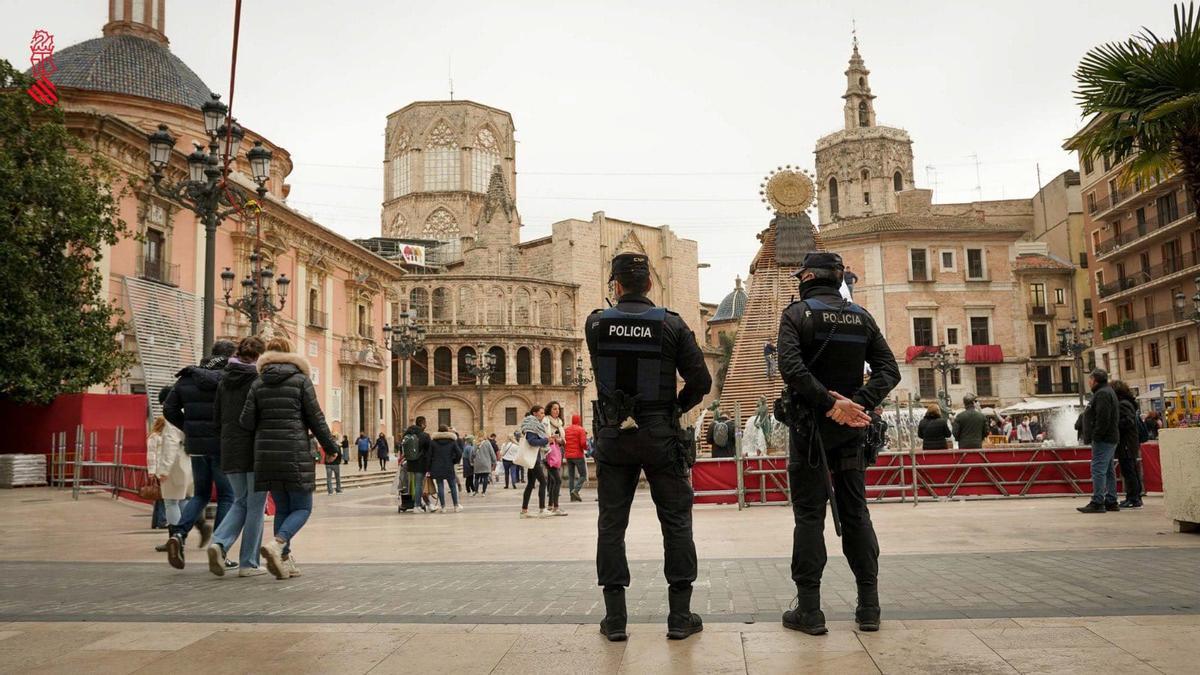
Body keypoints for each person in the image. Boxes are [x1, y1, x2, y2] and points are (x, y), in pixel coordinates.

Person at [585, 252, 712, 642]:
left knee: (611, 524)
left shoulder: (596, 323)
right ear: (651, 285)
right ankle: (679, 616)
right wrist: (675, 407)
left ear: (616, 285)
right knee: (676, 522)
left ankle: (616, 619)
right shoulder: (672, 325)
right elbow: (701, 382)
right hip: (660, 433)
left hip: (613, 434)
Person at [776, 251, 899, 636]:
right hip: (851, 432)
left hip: (809, 430)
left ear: (808, 277)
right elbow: (889, 371)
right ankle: (869, 608)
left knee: (809, 516)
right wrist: (854, 405)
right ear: (839, 278)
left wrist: (830, 404)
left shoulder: (797, 315)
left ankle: (810, 611)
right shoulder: (861, 317)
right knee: (856, 512)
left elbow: (791, 368)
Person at [240, 337, 339, 580]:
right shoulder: (301, 380)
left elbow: (246, 421)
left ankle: (283, 560)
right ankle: (278, 543)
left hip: (265, 454)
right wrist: (331, 446)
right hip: (294, 450)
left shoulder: (258, 383)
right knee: (303, 507)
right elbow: (316, 418)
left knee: (282, 507)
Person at [162, 340, 236, 570]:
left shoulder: (187, 377)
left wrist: (188, 428)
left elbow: (168, 408)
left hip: (196, 447)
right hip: (222, 446)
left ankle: (179, 534)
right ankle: (220, 547)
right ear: (230, 356)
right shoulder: (229, 378)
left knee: (200, 495)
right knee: (226, 496)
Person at [206, 335, 269, 578]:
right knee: (256, 506)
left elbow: (217, 417)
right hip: (254, 449)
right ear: (260, 356)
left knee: (240, 501)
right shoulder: (258, 379)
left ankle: (219, 543)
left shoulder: (223, 379)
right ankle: (248, 563)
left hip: (229, 448)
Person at [148, 396, 191, 553]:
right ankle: (184, 533)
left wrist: (163, 469)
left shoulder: (171, 419)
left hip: (174, 464)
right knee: (184, 499)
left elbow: (170, 445)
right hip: (186, 461)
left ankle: (176, 538)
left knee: (170, 502)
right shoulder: (187, 414)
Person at [1078, 368, 1120, 514]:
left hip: (1104, 438)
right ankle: (1111, 500)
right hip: (1110, 437)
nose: (1088, 382)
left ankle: (1098, 501)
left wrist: (1096, 435)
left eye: (1089, 379)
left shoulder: (1102, 394)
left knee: (1098, 469)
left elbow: (1103, 417)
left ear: (1094, 380)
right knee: (1108, 470)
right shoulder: (1107, 391)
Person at [1112, 380, 1144, 509]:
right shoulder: (1127, 402)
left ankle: (1133, 497)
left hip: (1126, 442)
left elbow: (1128, 421)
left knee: (1128, 470)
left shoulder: (1122, 404)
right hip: (1130, 441)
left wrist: (1115, 425)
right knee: (1131, 469)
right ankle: (1135, 496)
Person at [520, 407, 551, 517]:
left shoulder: (533, 425)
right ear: (535, 413)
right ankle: (542, 509)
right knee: (543, 482)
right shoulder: (532, 425)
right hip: (534, 460)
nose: (543, 415)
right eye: (541, 413)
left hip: (533, 458)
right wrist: (547, 440)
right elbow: (532, 441)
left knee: (530, 484)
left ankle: (524, 510)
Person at [428, 426, 463, 512]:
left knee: (440, 486)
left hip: (436, 466)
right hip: (449, 465)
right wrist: (454, 461)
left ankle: (443, 507)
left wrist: (429, 467)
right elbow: (459, 453)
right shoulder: (452, 441)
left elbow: (429, 456)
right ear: (447, 431)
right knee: (452, 486)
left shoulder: (433, 442)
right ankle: (456, 506)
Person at [402, 417, 433, 513]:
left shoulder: (408, 434)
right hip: (421, 464)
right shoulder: (425, 436)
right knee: (419, 485)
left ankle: (420, 503)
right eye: (425, 423)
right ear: (422, 424)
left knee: (415, 485)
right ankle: (417, 505)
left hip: (410, 463)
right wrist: (429, 466)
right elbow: (429, 452)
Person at [544, 401, 567, 515]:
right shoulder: (546, 420)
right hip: (548, 453)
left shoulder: (559, 423)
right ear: (549, 410)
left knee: (553, 481)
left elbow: (563, 439)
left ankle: (550, 506)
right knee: (557, 480)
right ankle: (555, 507)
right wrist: (552, 438)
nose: (557, 411)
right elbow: (544, 435)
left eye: (558, 409)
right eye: (554, 409)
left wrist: (560, 440)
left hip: (557, 452)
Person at [564, 413, 588, 501]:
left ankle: (572, 497)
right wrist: (586, 448)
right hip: (578, 455)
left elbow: (564, 442)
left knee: (571, 476)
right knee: (583, 475)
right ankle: (575, 490)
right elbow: (583, 443)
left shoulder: (566, 430)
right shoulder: (580, 429)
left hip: (568, 456)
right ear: (579, 420)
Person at [472, 431, 496, 495]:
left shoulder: (475, 443)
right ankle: (483, 492)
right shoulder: (487, 443)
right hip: (486, 463)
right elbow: (492, 452)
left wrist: (471, 461)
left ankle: (476, 491)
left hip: (477, 463)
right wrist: (494, 461)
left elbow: (473, 453)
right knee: (485, 477)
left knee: (476, 477)